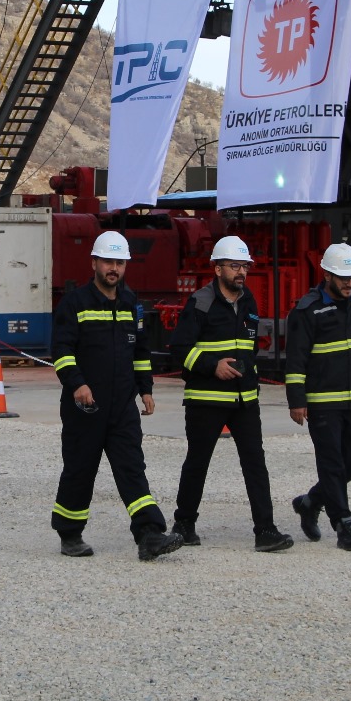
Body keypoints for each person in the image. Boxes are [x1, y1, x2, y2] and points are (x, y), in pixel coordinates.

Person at [50, 230, 184, 561]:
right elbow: (62, 351)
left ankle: (150, 534)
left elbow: (139, 351)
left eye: (120, 263)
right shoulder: (75, 304)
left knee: (132, 467)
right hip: (85, 406)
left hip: (122, 405)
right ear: (94, 262)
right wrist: (77, 384)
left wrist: (146, 389)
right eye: (108, 261)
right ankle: (69, 533)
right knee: (80, 470)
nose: (114, 268)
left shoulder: (129, 304)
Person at [168, 235, 293, 553]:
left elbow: (249, 346)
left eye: (244, 266)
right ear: (217, 268)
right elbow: (180, 348)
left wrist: (248, 375)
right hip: (206, 400)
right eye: (234, 266)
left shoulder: (248, 301)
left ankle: (265, 530)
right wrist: (213, 366)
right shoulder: (201, 302)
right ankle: (184, 525)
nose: (241, 272)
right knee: (197, 462)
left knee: (255, 463)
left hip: (244, 400)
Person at [283, 242, 351, 552]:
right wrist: (296, 400)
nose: (349, 283)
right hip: (322, 403)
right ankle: (344, 524)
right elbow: (296, 359)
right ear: (326, 274)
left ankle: (311, 501)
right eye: (343, 277)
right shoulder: (308, 309)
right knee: (331, 464)